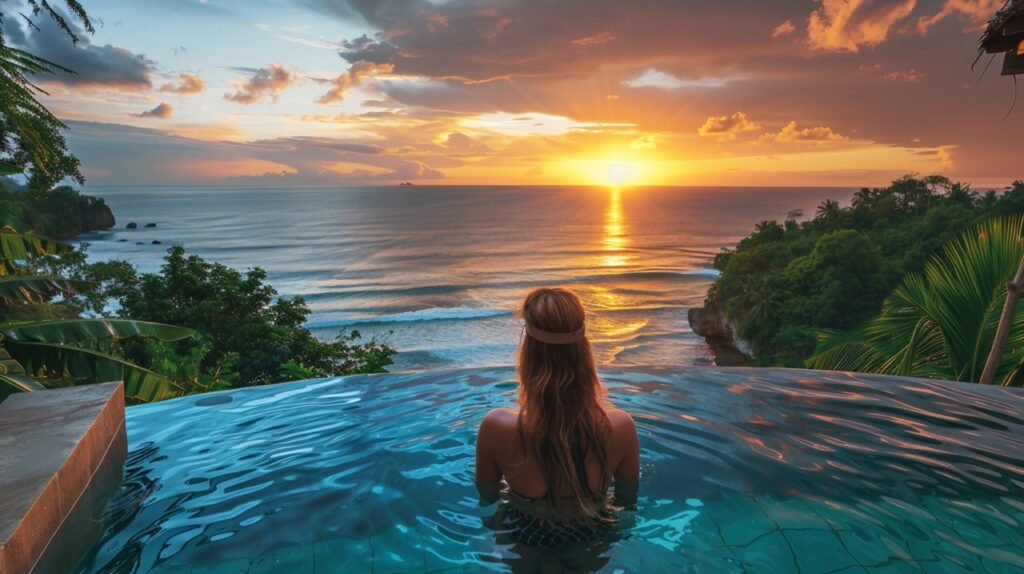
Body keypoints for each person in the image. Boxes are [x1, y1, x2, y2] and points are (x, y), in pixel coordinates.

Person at [475, 287, 640, 549]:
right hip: (593, 536)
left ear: (527, 353)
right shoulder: (621, 427)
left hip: (525, 536)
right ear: (584, 352)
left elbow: (488, 502)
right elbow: (627, 505)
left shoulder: (496, 427)